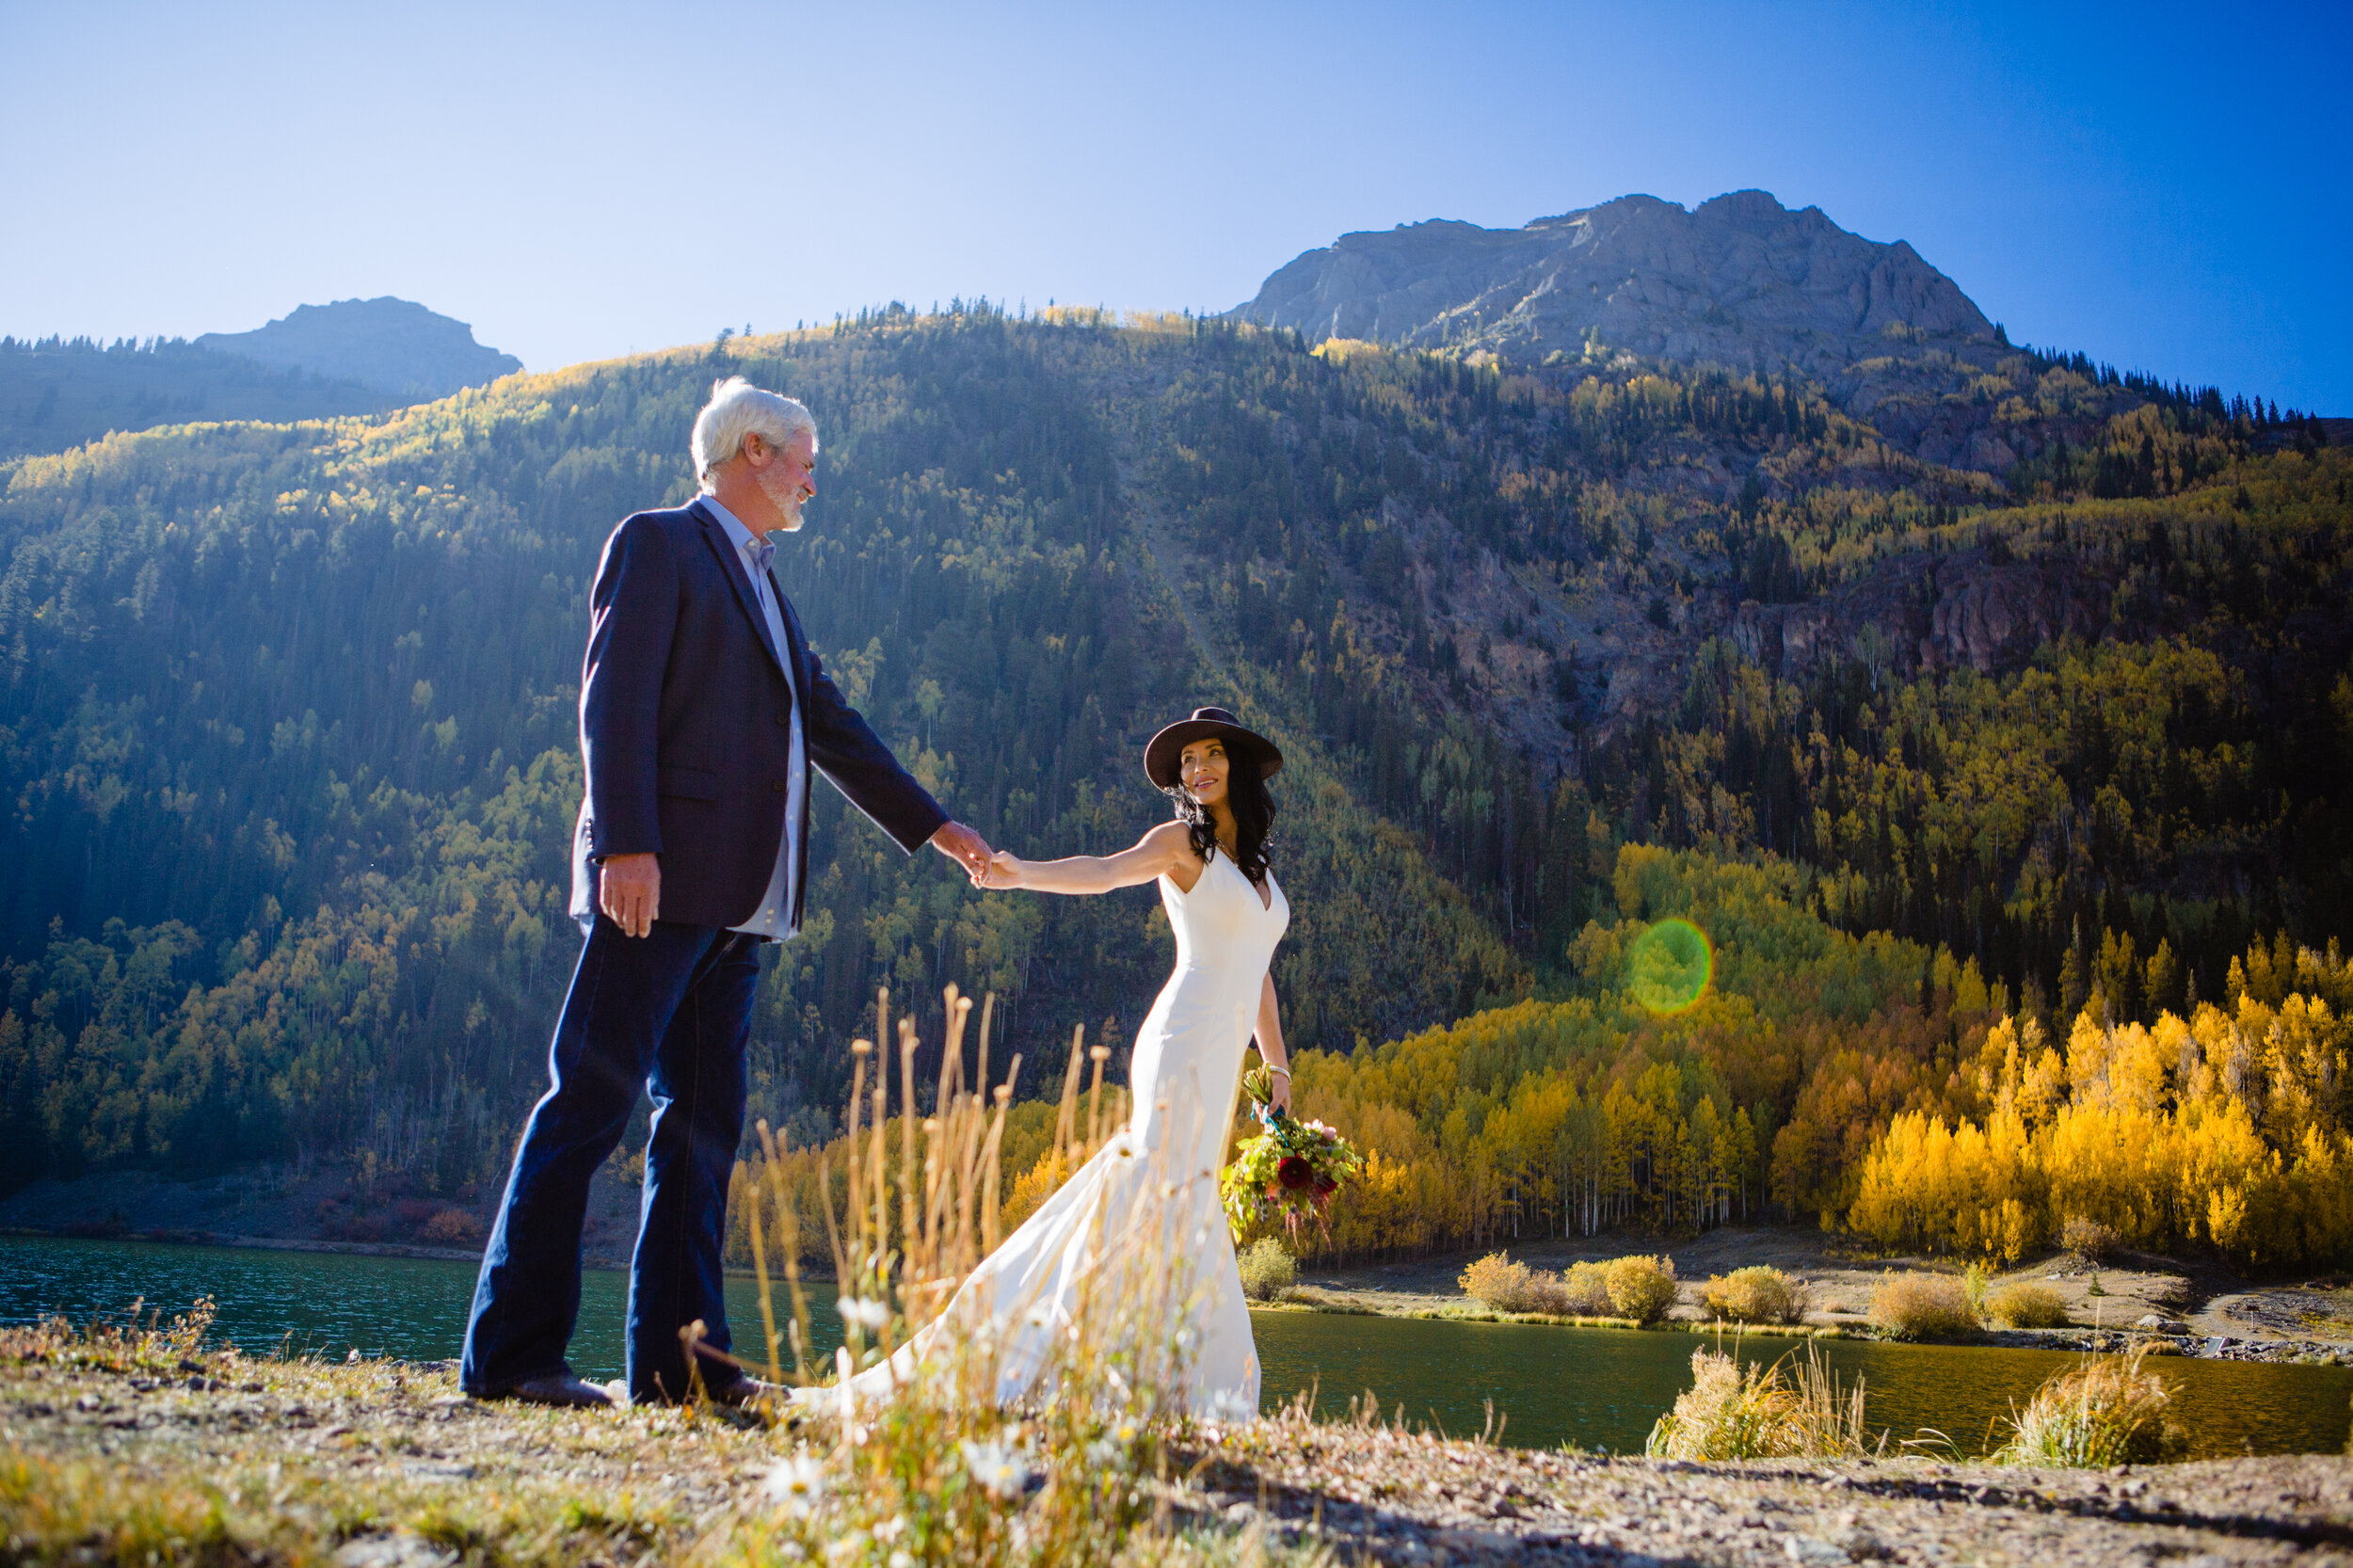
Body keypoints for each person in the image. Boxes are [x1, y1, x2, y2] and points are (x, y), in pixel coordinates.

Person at [460, 377, 993, 1408]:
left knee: (700, 1138)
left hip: (745, 905)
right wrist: (624, 844)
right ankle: (512, 1357)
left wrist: (932, 826)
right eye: (804, 458)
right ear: (753, 449)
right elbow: (610, 698)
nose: (811, 477)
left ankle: (681, 1374)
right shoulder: (658, 543)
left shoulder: (766, 582)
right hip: (653, 887)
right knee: (590, 1102)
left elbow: (829, 723)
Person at [812, 705, 1291, 1416]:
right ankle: (1095, 1367)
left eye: (1213, 754)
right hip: (1181, 1041)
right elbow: (1101, 872)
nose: (1198, 768)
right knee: (1164, 1193)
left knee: (1184, 1198)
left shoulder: (1257, 871)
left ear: (1239, 767)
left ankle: (1165, 1377)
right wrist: (1017, 873)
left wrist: (1277, 1066)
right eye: (1189, 761)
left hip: (1225, 1062)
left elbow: (1258, 969)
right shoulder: (1178, 845)